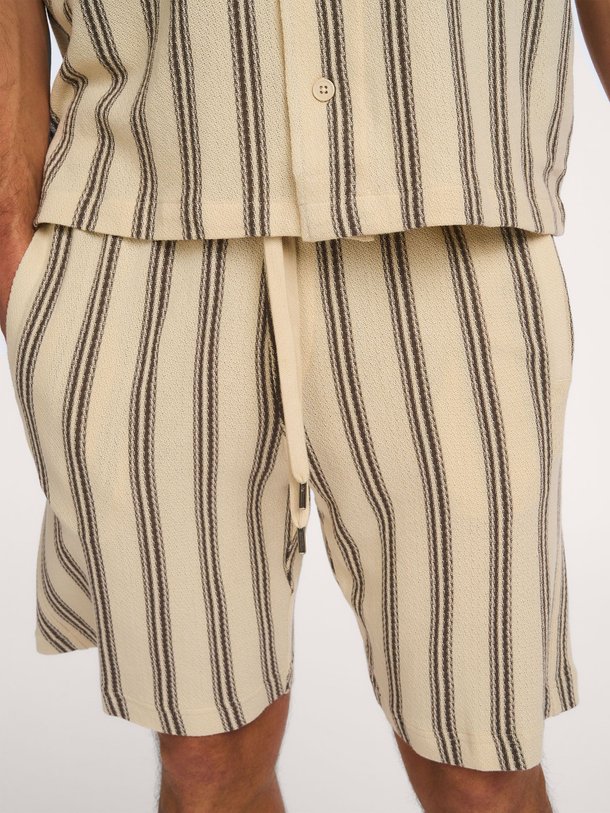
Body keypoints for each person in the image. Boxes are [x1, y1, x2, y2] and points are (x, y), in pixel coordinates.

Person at [1, 1, 607, 810]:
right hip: (144, 225)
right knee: (205, 758)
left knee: (482, 765)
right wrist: (13, 237)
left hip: (453, 223)